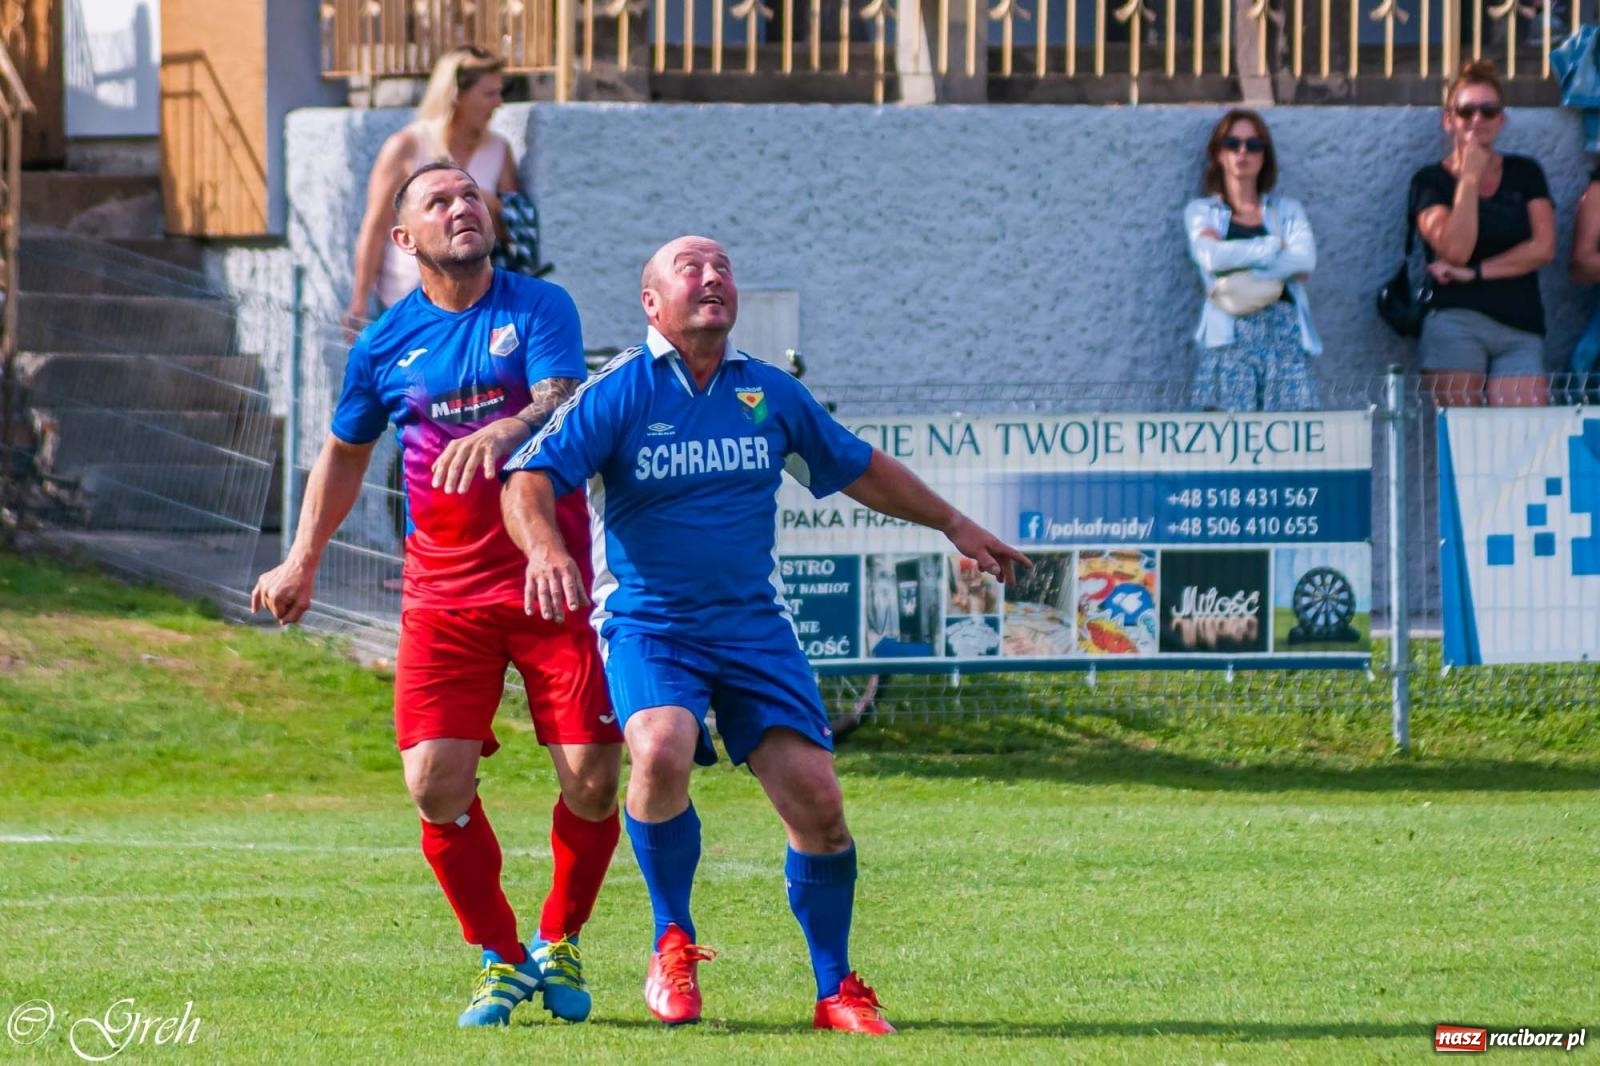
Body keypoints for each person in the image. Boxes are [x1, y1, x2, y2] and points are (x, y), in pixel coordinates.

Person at [499, 235, 1030, 1035]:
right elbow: (529, 477)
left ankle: (834, 989)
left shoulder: (768, 393)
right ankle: (671, 941)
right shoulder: (619, 391)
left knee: (819, 804)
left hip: (754, 631)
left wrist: (955, 523)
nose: (712, 278)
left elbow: (857, 465)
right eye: (691, 269)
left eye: (723, 268)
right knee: (660, 748)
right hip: (651, 624)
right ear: (651, 303)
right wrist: (544, 548)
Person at [252, 163, 623, 1028]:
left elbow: (562, 396)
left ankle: (559, 936)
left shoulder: (539, 307)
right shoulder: (383, 343)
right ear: (404, 239)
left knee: (594, 781)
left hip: (547, 573)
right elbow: (346, 453)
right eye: (439, 201)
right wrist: (302, 556)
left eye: (471, 196)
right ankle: (502, 955)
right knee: (433, 785)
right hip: (444, 594)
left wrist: (507, 425)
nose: (463, 207)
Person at [343, 45, 520, 337]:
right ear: (456, 95)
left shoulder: (499, 150)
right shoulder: (407, 146)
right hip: (403, 300)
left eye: (500, 93)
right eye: (489, 94)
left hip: (473, 306)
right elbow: (376, 226)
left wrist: (484, 201)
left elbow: (511, 229)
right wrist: (360, 300)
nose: (498, 103)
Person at [1412, 60, 1555, 407]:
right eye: (1466, 111)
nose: (1477, 119)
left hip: (1519, 325)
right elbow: (1455, 251)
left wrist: (1474, 273)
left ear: (1501, 119)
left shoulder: (1525, 173)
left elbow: (1543, 248)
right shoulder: (1431, 181)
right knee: (1464, 444)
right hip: (1455, 321)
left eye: (1488, 111)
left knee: (1521, 441)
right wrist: (1470, 179)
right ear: (1449, 120)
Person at [1184, 108, 1321, 412]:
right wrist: (1273, 246)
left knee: (1289, 448)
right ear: (1219, 154)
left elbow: (1303, 261)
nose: (1243, 151)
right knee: (1226, 449)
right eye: (1233, 144)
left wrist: (1235, 258)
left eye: (1253, 144)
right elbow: (1210, 258)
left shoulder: (1287, 211)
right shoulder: (1202, 212)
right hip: (1229, 341)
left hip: (1284, 343)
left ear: (1264, 155)